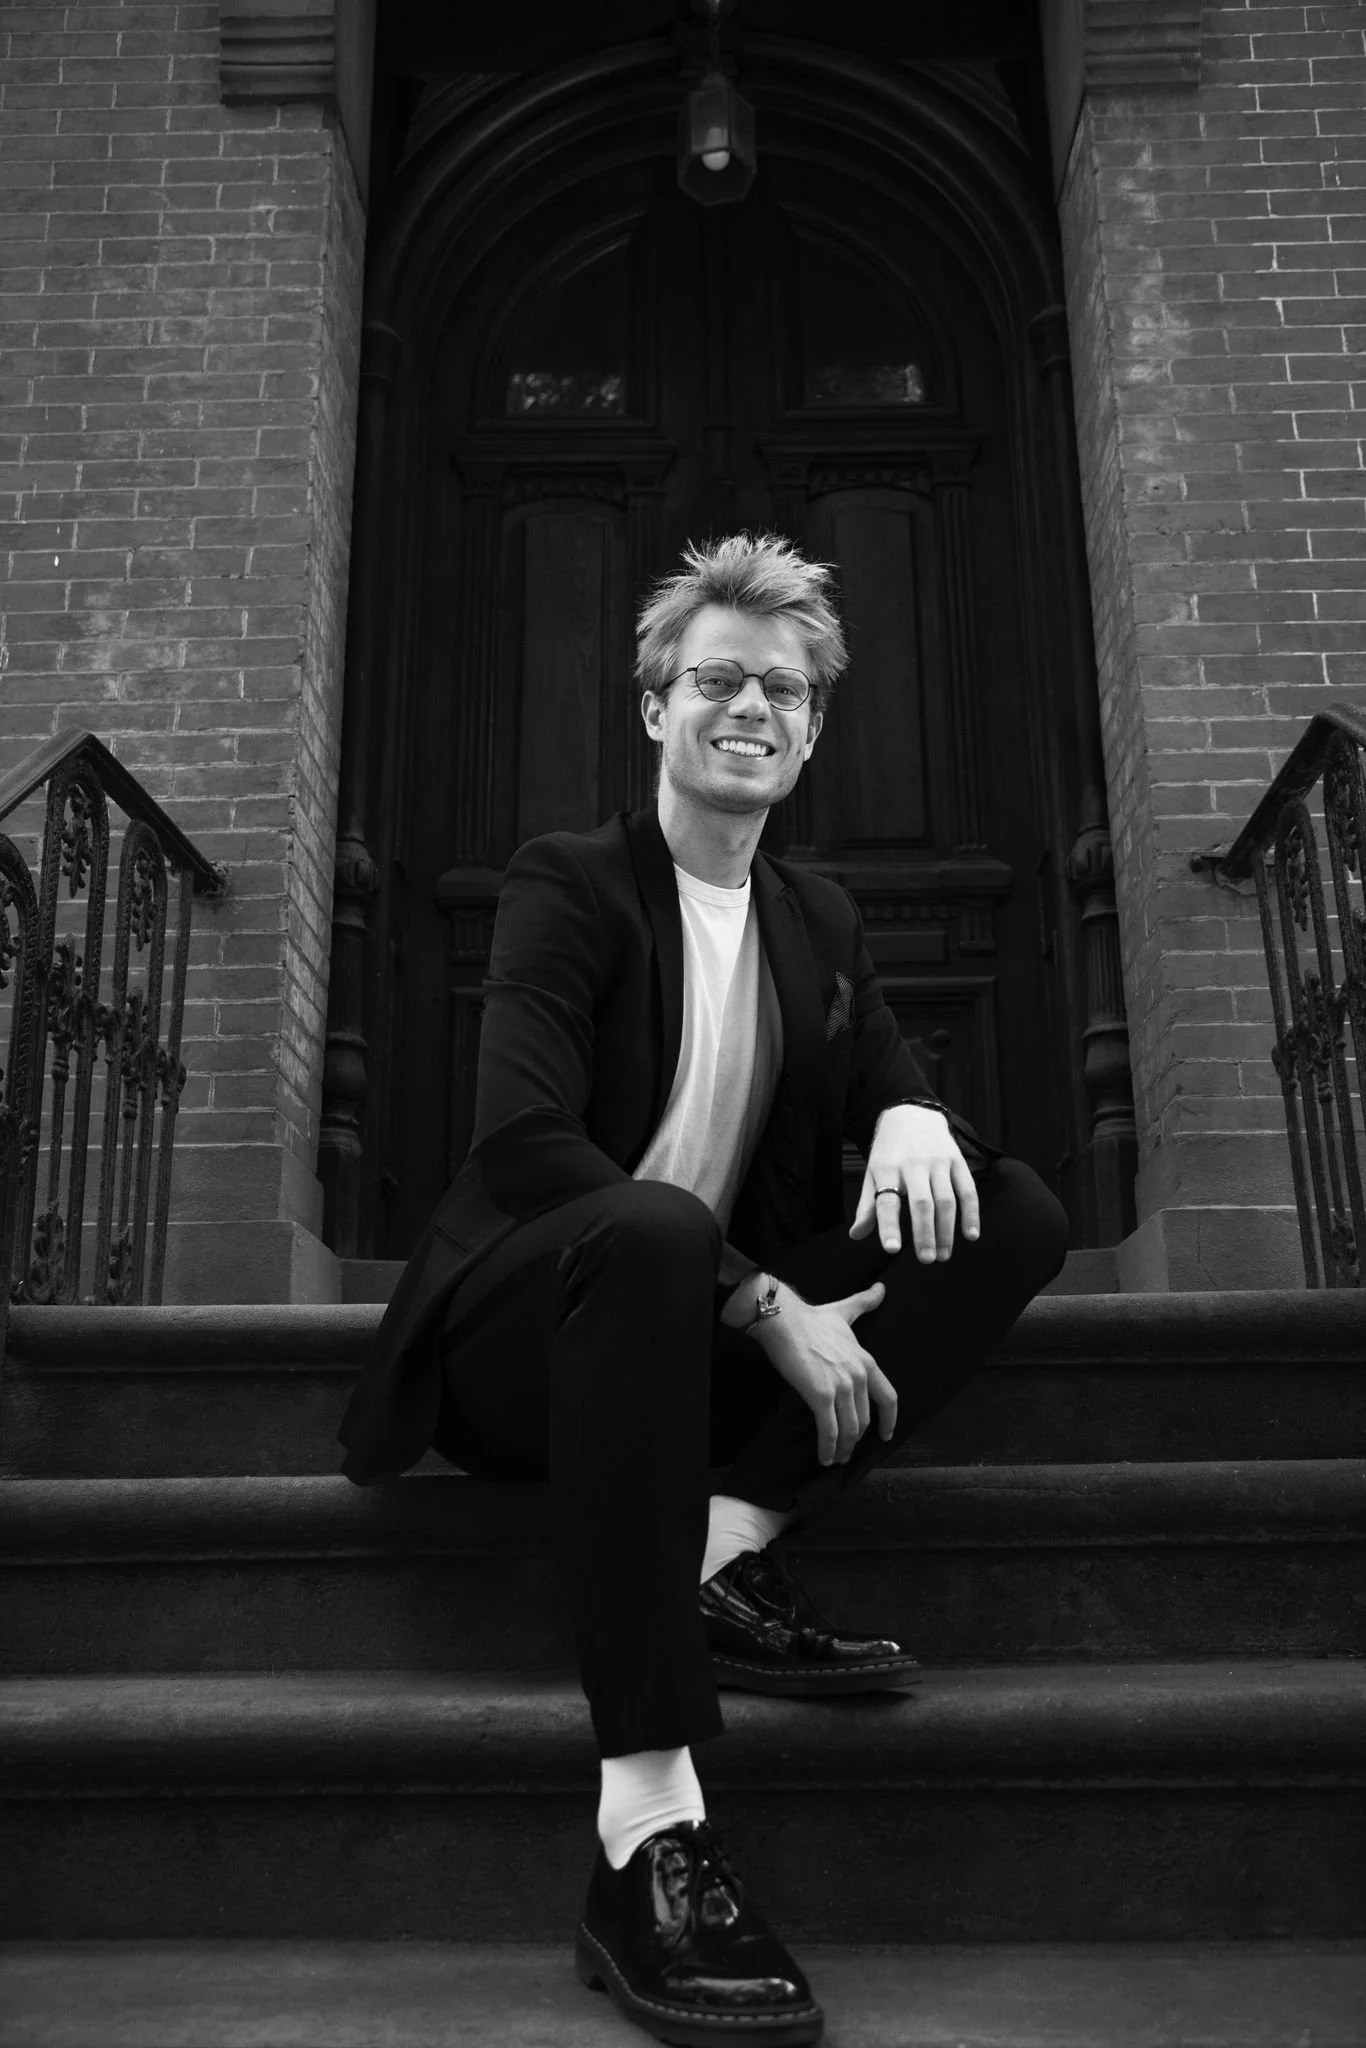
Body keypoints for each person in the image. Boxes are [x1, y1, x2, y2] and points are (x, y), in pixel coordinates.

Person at [339, 533, 1069, 2048]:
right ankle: (643, 1837)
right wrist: (760, 1302)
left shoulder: (818, 922)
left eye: (783, 690)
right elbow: (528, 1145)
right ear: (655, 707)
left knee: (1012, 1208)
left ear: (810, 730)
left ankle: (723, 1549)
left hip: (688, 1351)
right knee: (663, 1229)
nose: (753, 707)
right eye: (719, 680)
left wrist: (919, 1112)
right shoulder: (572, 883)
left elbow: (894, 1101)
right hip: (531, 1343)